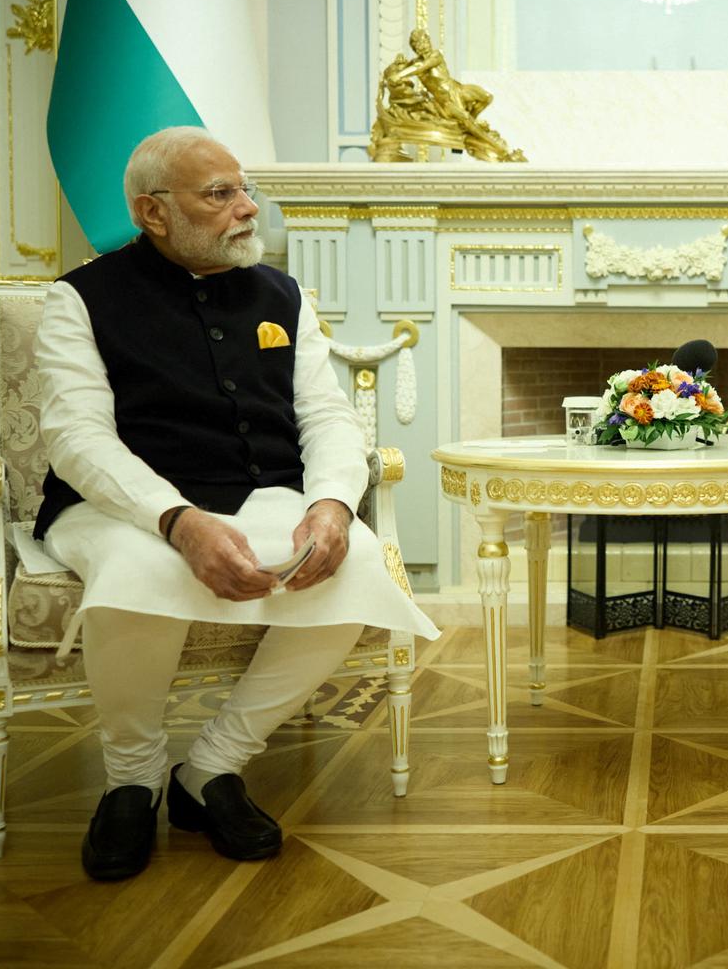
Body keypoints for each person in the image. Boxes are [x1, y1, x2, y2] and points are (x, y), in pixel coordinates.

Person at [33, 126, 440, 881]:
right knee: (139, 570)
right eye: (220, 195)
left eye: (244, 189)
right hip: (119, 504)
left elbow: (326, 415)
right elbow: (76, 438)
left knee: (354, 566)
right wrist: (177, 521)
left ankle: (212, 768)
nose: (248, 208)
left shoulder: (283, 295)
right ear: (154, 213)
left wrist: (331, 505)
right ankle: (132, 779)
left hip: (258, 493)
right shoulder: (80, 299)